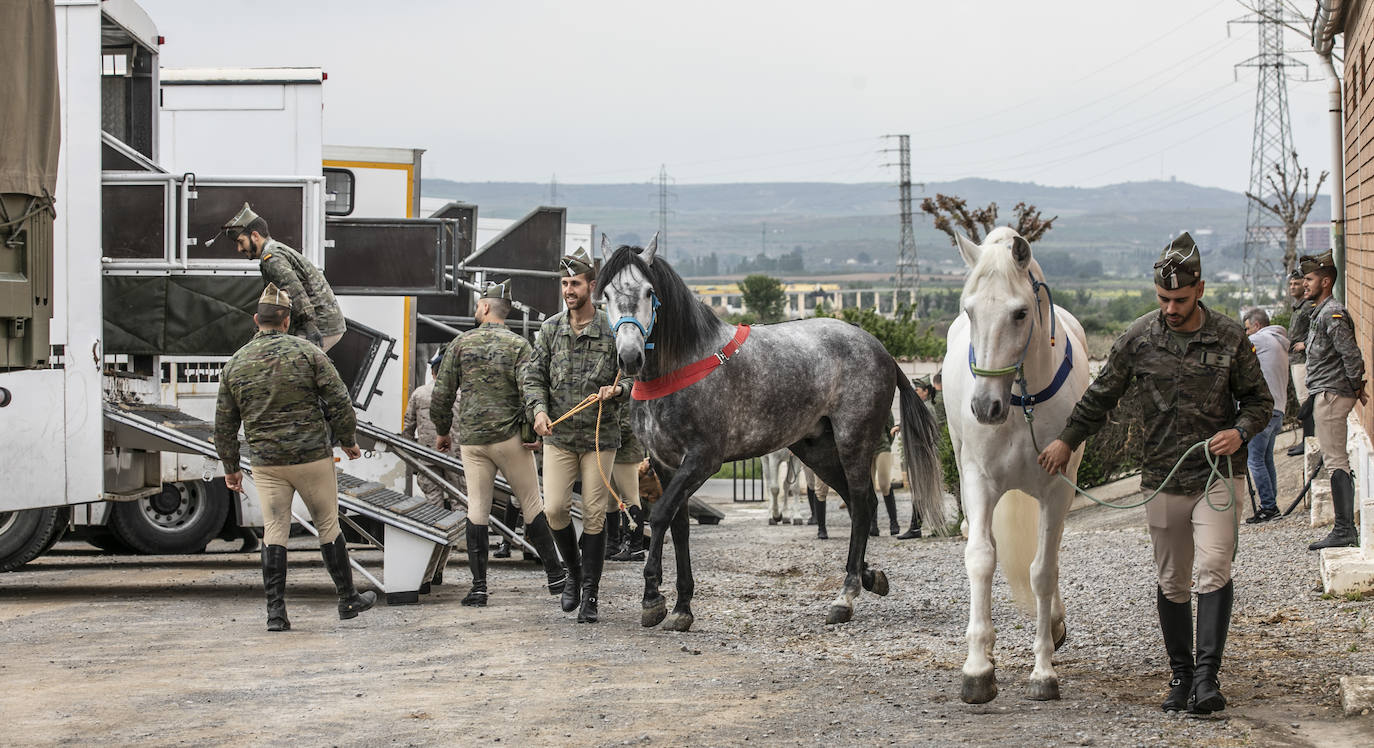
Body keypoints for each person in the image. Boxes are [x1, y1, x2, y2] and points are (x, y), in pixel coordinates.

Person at [1037, 233, 1272, 715]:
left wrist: (1241, 431)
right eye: (1163, 298)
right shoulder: (1138, 337)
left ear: (1200, 289)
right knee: (1172, 580)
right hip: (1162, 476)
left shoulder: (1230, 337)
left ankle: (1207, 679)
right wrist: (1066, 439)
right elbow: (1101, 396)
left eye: (1179, 299)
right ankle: (1181, 675)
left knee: (1213, 569)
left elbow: (1261, 402)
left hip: (1217, 474)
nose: (1170, 308)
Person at [214, 283, 375, 631]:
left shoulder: (236, 363)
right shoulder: (309, 354)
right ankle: (347, 600)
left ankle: (276, 613)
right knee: (327, 524)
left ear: (258, 320)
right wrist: (348, 440)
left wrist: (231, 468)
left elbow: (224, 423)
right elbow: (339, 400)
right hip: (311, 457)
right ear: (286, 321)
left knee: (275, 530)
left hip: (267, 462)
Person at [431, 281, 568, 607]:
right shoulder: (519, 345)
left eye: (479, 304)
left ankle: (478, 589)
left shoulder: (460, 343)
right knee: (532, 504)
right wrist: (535, 428)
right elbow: (532, 389)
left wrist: (442, 431)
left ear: (487, 307)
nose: (476, 309)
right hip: (510, 440)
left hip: (474, 441)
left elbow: (442, 394)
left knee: (477, 507)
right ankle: (556, 576)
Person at [526, 246, 634, 623]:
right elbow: (533, 376)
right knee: (554, 508)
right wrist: (537, 410)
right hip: (558, 436)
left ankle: (591, 593)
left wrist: (618, 390)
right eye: (564, 283)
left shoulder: (612, 328)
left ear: (592, 286)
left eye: (575, 283)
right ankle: (572, 573)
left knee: (594, 515)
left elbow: (634, 377)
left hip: (599, 437)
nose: (569, 290)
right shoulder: (551, 329)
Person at [1299, 250, 1367, 551]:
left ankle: (1344, 530)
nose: (1304, 284)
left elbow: (1351, 355)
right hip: (1327, 391)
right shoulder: (1320, 311)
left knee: (1336, 460)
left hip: (1333, 394)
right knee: (1333, 459)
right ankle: (1344, 528)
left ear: (1326, 281)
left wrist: (1353, 387)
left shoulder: (1332, 314)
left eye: (1310, 278)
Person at [211, 202, 346, 351]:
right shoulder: (275, 251)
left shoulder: (272, 257)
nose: (239, 249)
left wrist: (309, 324)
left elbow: (293, 290)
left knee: (290, 369)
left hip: (320, 325)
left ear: (255, 236)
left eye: (241, 242)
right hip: (321, 322)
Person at [1241, 308, 1289, 524]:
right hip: (1279, 409)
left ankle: (1268, 507)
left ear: (1257, 326)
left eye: (1247, 328)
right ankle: (1271, 505)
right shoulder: (1278, 341)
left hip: (1263, 410)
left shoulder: (1260, 339)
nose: (1246, 333)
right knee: (1266, 458)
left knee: (1254, 460)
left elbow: (1235, 352)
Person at [401, 348, 465, 505]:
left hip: (427, 454)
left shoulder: (419, 393)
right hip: (454, 456)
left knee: (433, 501)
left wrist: (409, 451)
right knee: (459, 500)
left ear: (432, 372)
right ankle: (458, 529)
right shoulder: (461, 394)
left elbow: (408, 425)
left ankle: (435, 528)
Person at [608, 405, 648, 562]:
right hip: (609, 451)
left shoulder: (626, 392)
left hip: (626, 453)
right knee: (609, 502)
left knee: (630, 498)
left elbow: (628, 424)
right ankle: (611, 545)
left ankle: (634, 547)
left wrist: (603, 437)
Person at [1286, 270, 1315, 456]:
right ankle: (1306, 439)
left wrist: (1306, 343)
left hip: (1303, 360)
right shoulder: (1298, 306)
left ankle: (1308, 440)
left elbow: (1318, 325)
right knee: (1302, 400)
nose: (1293, 287)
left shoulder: (1308, 306)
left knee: (1305, 401)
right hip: (1294, 359)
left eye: (1296, 284)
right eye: (1290, 284)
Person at [869, 413, 902, 536]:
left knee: (884, 484)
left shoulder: (882, 403)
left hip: (882, 447)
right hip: (865, 450)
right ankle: (873, 524)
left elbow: (890, 428)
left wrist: (887, 443)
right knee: (869, 487)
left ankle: (894, 522)